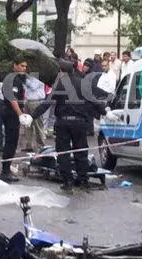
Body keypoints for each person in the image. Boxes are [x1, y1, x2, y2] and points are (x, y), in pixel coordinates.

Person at [28, 60, 106, 191]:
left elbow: (47, 103)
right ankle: (83, 180)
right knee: (81, 152)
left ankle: (67, 181)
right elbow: (94, 101)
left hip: (63, 123)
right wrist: (105, 112)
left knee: (63, 153)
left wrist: (32, 116)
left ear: (61, 71)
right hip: (79, 123)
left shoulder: (59, 84)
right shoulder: (82, 83)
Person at [0, 58, 30, 183]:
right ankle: (5, 171)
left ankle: (7, 169)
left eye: (25, 66)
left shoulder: (17, 79)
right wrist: (20, 114)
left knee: (13, 143)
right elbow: (12, 99)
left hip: (13, 114)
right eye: (22, 66)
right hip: (11, 114)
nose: (24, 68)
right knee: (10, 143)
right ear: (15, 65)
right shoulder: (12, 80)